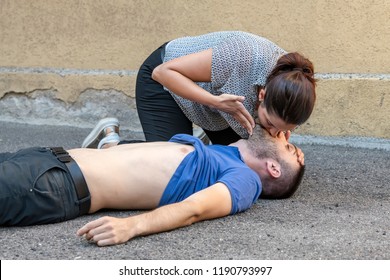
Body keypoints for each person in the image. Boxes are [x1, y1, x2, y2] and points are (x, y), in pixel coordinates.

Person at [0, 125, 304, 246]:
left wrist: (130, 227)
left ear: (274, 169)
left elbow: (194, 209)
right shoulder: (223, 152)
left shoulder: (245, 179)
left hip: (53, 184)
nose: (285, 136)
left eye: (290, 148)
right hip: (44, 158)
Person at [136, 31, 316, 144]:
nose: (273, 133)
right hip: (165, 83)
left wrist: (283, 144)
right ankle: (111, 145)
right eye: (270, 123)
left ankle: (198, 147)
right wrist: (214, 102)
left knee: (246, 165)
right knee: (173, 167)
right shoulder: (241, 55)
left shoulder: (295, 92)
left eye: (285, 130)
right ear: (262, 94)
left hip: (217, 106)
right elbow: (162, 72)